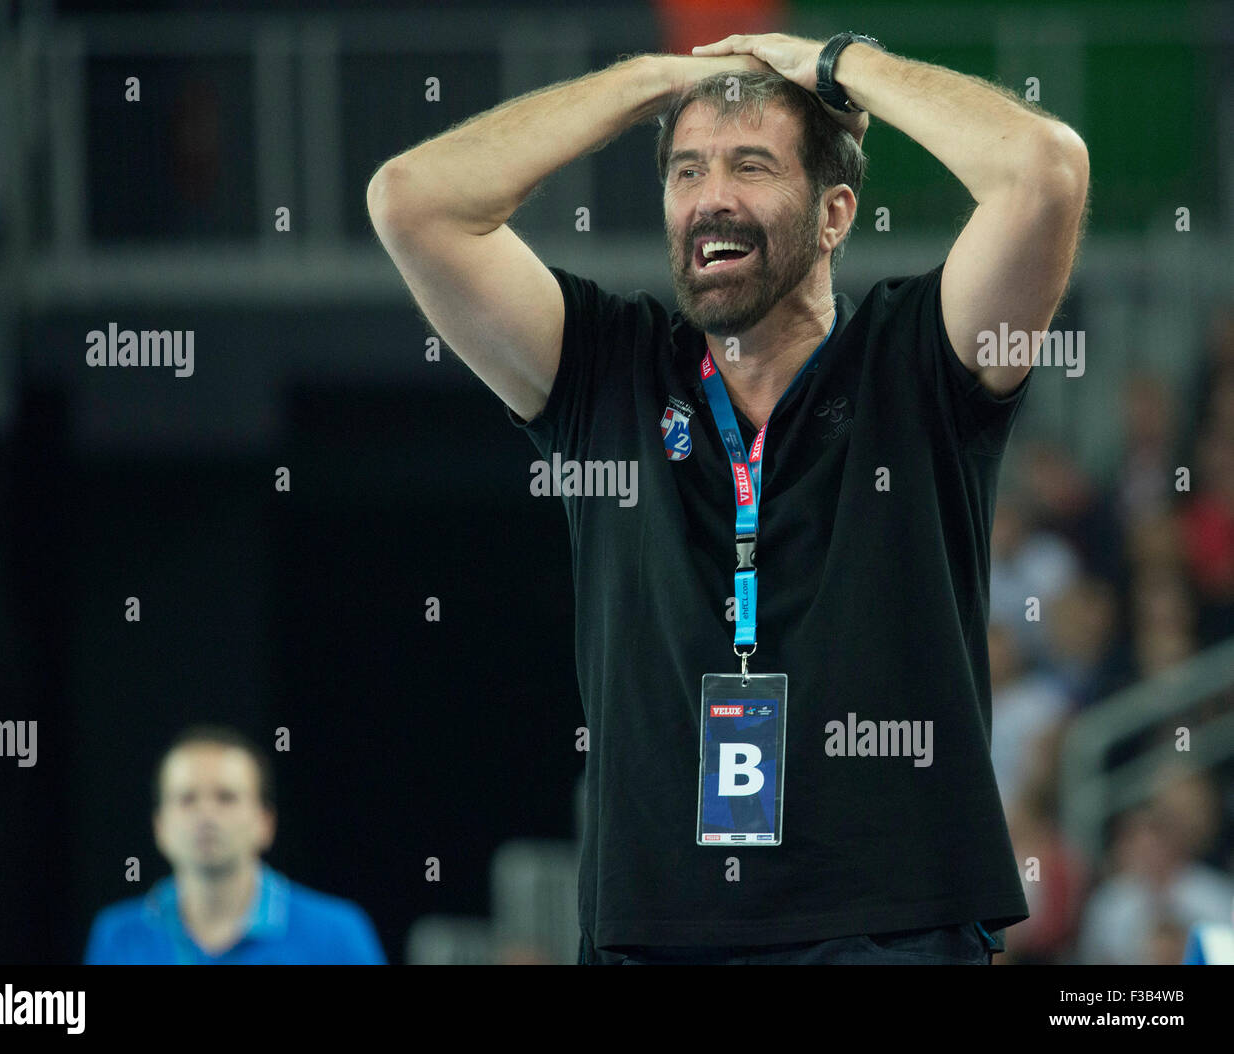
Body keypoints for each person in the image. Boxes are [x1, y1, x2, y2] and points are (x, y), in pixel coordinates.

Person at [367, 31, 1088, 964]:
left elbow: (1046, 169)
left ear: (835, 214)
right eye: (686, 171)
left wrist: (838, 65)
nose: (713, 197)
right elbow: (412, 202)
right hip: (654, 938)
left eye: (752, 166)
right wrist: (651, 82)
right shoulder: (606, 373)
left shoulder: (917, 361)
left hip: (892, 932)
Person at [84, 725, 387, 964]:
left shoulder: (337, 934)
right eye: (187, 798)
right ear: (160, 826)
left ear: (265, 822)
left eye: (226, 797)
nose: (206, 815)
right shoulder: (119, 935)